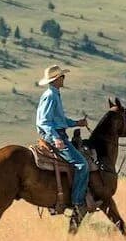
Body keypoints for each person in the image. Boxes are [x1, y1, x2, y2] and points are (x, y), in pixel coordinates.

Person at [35, 64, 90, 220]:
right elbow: (44, 122)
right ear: (57, 79)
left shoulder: (55, 94)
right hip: (54, 136)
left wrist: (76, 123)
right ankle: (78, 202)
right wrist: (56, 138)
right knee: (82, 165)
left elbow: (59, 119)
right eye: (62, 76)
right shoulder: (50, 96)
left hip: (57, 132)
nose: (64, 78)